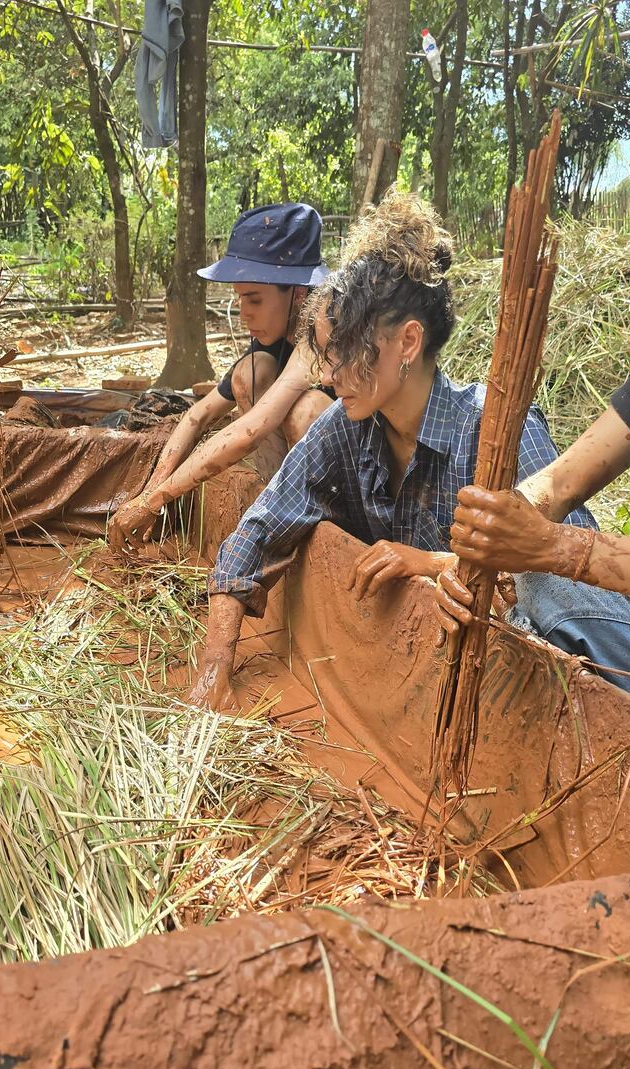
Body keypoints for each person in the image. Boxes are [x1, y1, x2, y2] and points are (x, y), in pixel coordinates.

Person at [187, 191, 596, 712]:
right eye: (327, 355)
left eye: (350, 353)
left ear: (407, 342)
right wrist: (212, 671)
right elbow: (259, 528)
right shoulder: (348, 424)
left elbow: (573, 579)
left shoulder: (496, 430)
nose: (331, 377)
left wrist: (432, 565)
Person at [435, 167, 630, 717]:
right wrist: (480, 549)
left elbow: (556, 550)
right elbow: (561, 479)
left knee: (548, 585)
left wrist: (553, 549)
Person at [108, 202, 333, 553]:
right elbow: (198, 415)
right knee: (249, 372)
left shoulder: (322, 333)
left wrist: (153, 503)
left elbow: (249, 431)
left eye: (254, 300)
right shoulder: (271, 340)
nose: (243, 313)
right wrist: (149, 494)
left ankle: (318, 527)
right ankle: (275, 497)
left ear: (299, 294)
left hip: (360, 490)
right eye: (240, 299)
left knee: (309, 410)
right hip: (295, 476)